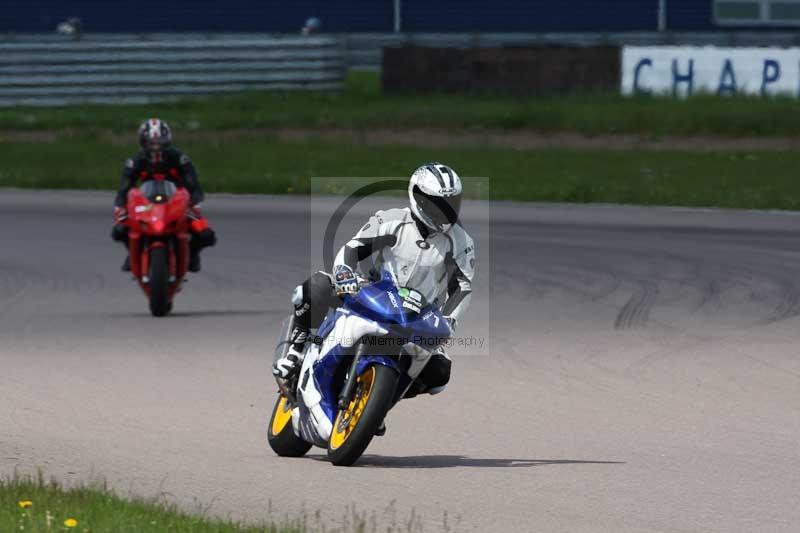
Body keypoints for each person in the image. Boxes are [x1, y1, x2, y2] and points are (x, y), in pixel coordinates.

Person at [273, 163, 475, 399]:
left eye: (452, 203)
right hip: (373, 293)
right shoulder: (391, 220)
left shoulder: (461, 242)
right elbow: (353, 248)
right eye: (440, 204)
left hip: (419, 316)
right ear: (419, 197)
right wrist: (344, 274)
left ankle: (381, 399)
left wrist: (449, 319)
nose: (447, 211)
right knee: (317, 286)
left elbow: (462, 286)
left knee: (439, 373)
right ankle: (295, 352)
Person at [111, 118, 216, 272]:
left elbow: (194, 186)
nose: (155, 146)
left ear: (167, 140)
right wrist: (120, 208)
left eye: (159, 141)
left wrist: (193, 203)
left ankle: (192, 255)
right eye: (151, 142)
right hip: (145, 204)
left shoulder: (180, 159)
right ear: (142, 142)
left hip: (177, 203)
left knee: (206, 235)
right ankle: (133, 252)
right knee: (118, 230)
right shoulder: (135, 161)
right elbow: (124, 189)